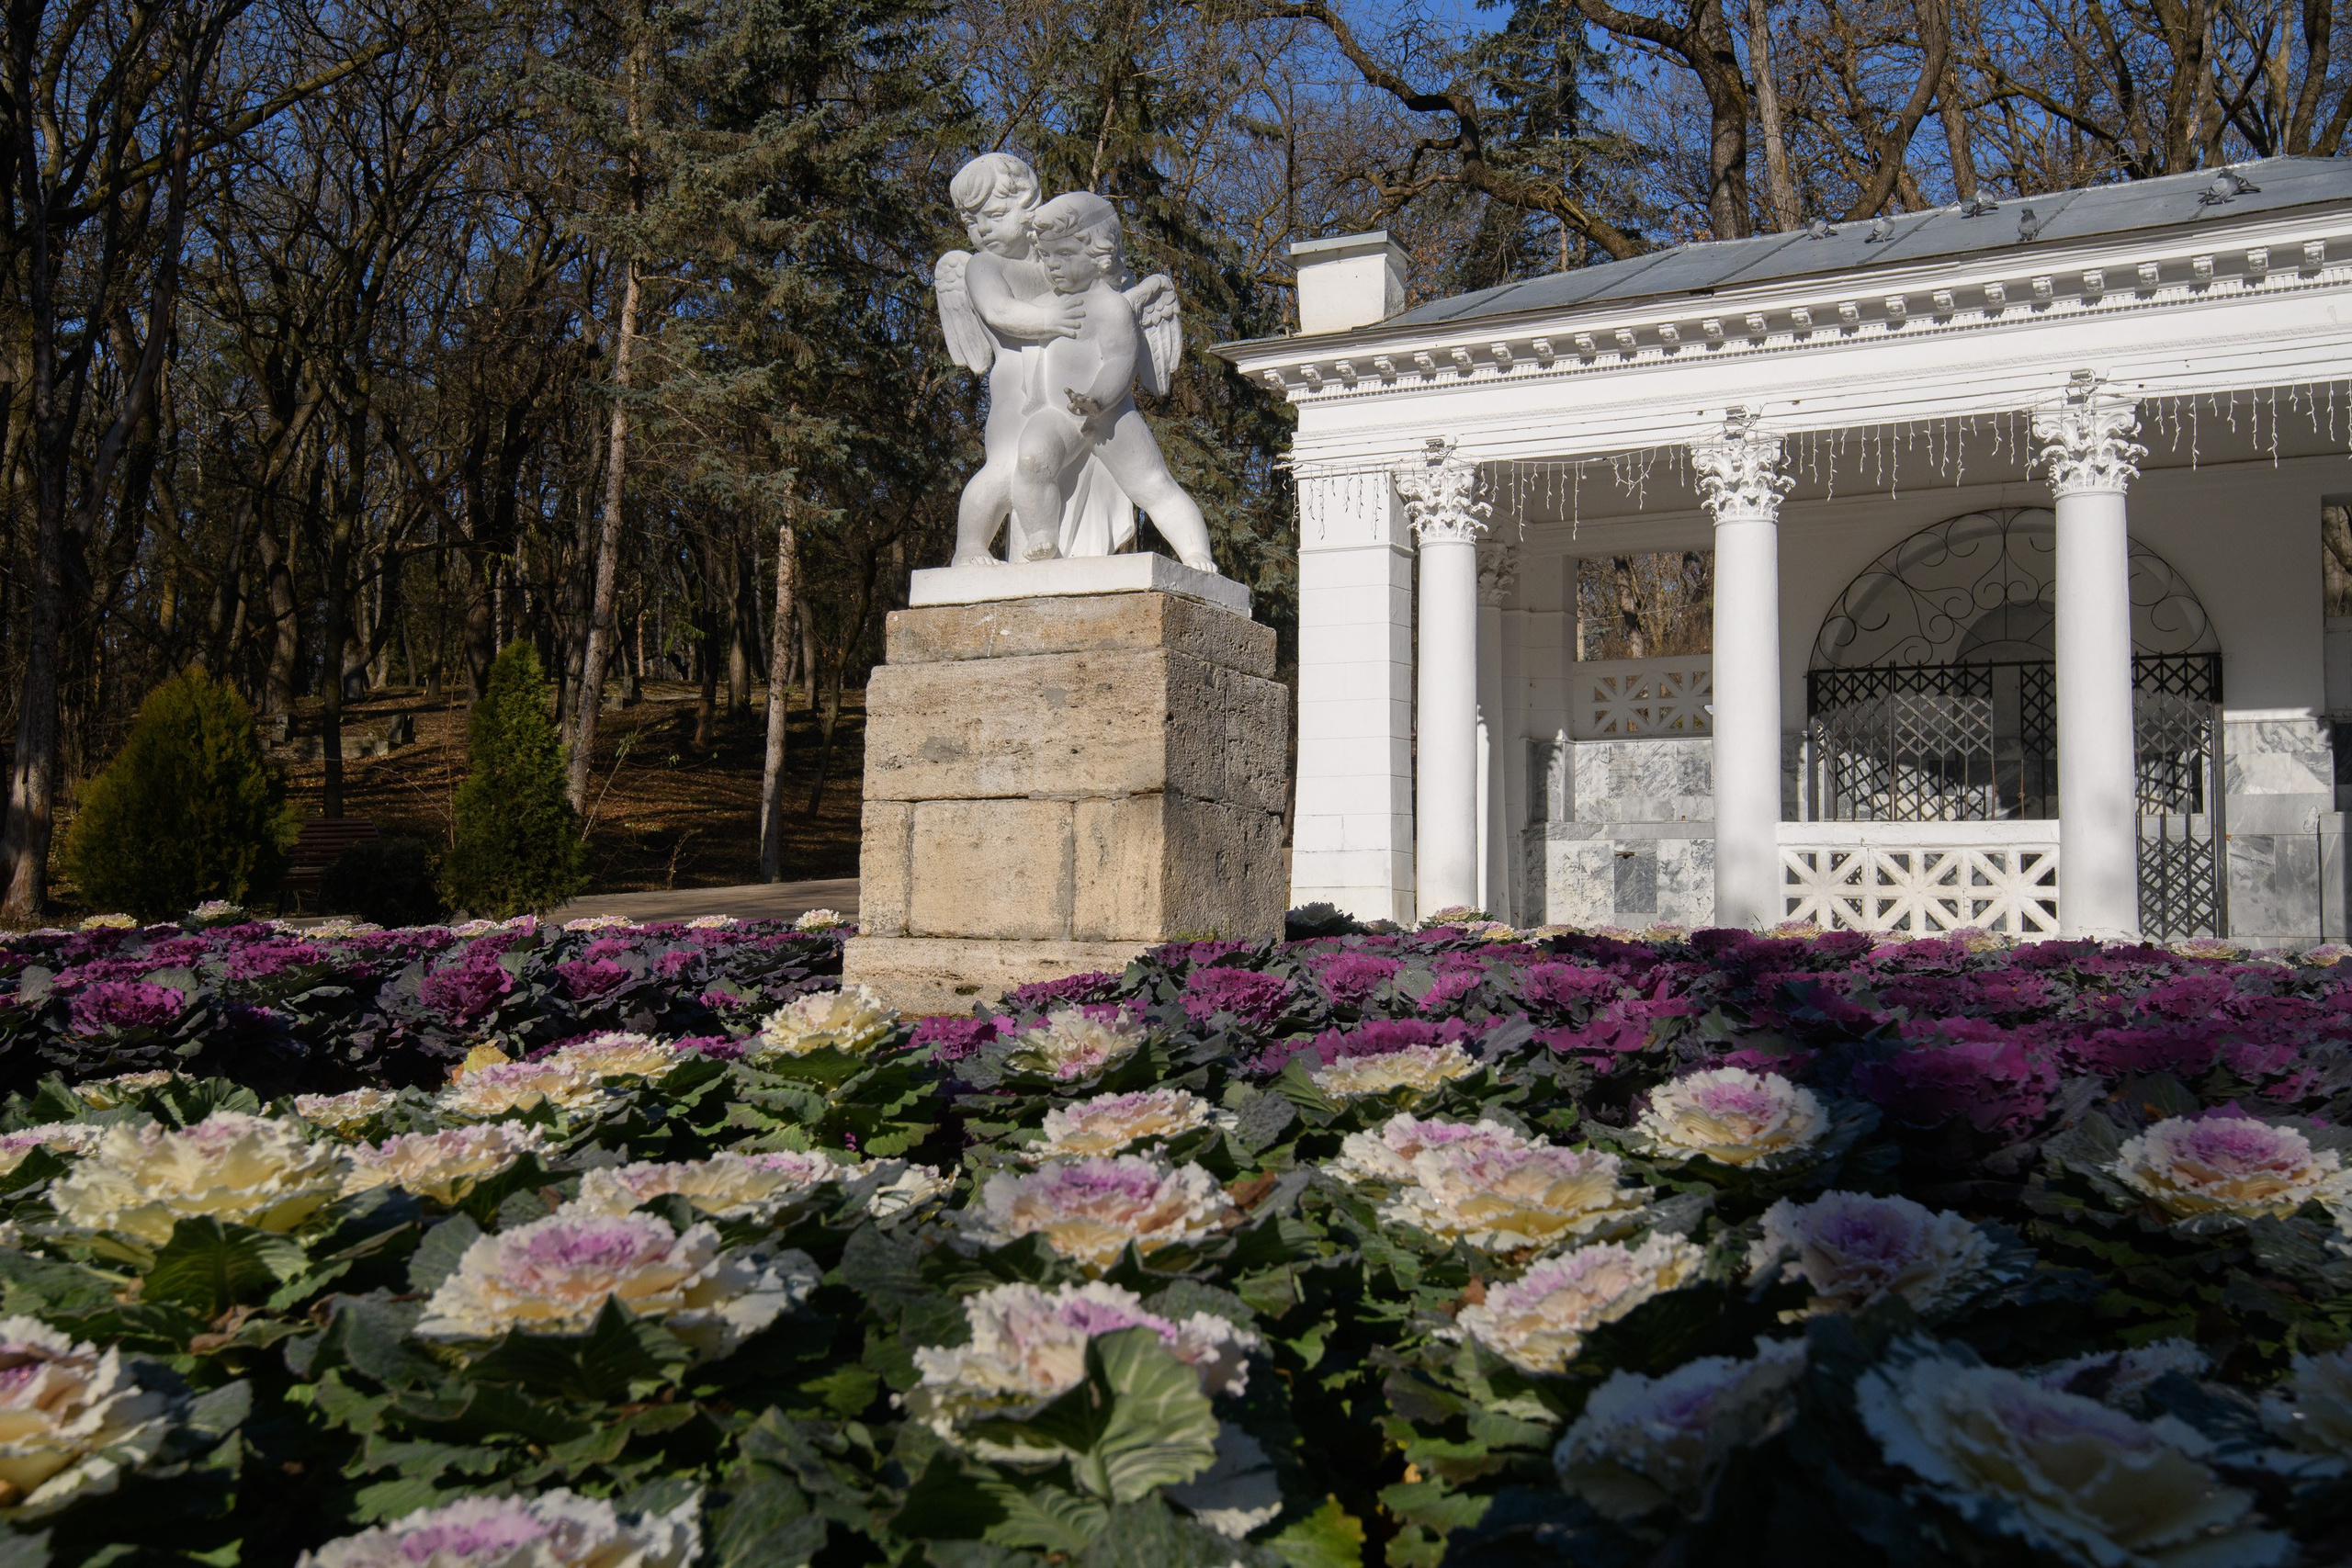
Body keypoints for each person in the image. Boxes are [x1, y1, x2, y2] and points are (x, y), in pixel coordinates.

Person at [1008, 191, 1215, 571]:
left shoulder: (1111, 306)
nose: (1053, 266)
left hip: (1109, 417)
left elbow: (1120, 360)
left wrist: (1098, 399)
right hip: (1059, 414)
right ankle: (1041, 535)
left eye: (1065, 255)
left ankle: (1196, 553)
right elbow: (1006, 317)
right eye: (1047, 256)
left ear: (1100, 255)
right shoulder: (1048, 304)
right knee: (1031, 460)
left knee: (1154, 486)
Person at [934, 154, 1084, 566]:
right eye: (972, 222)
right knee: (1002, 471)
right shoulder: (982, 266)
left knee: (1040, 470)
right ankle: (968, 547)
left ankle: (1043, 542)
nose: (983, 229)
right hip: (1012, 399)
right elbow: (999, 311)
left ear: (1030, 205)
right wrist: (1050, 318)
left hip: (1060, 401)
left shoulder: (1056, 266)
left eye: (995, 215)